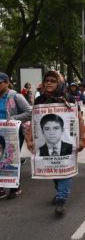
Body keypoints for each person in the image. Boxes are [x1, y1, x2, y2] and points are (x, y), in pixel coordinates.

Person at [26, 70, 85, 216]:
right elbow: (33, 121)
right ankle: (60, 191)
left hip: (67, 144)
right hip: (45, 147)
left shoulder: (69, 99)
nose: (48, 83)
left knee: (65, 170)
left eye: (53, 80)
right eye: (46, 80)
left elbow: (79, 120)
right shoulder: (39, 100)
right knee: (52, 169)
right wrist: (29, 139)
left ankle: (61, 199)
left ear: (59, 83)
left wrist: (82, 139)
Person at [0, 72, 32, 200]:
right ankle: (1, 187)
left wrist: (13, 118)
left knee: (10, 157)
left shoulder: (15, 96)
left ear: (7, 83)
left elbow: (29, 112)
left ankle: (14, 186)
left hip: (12, 132)